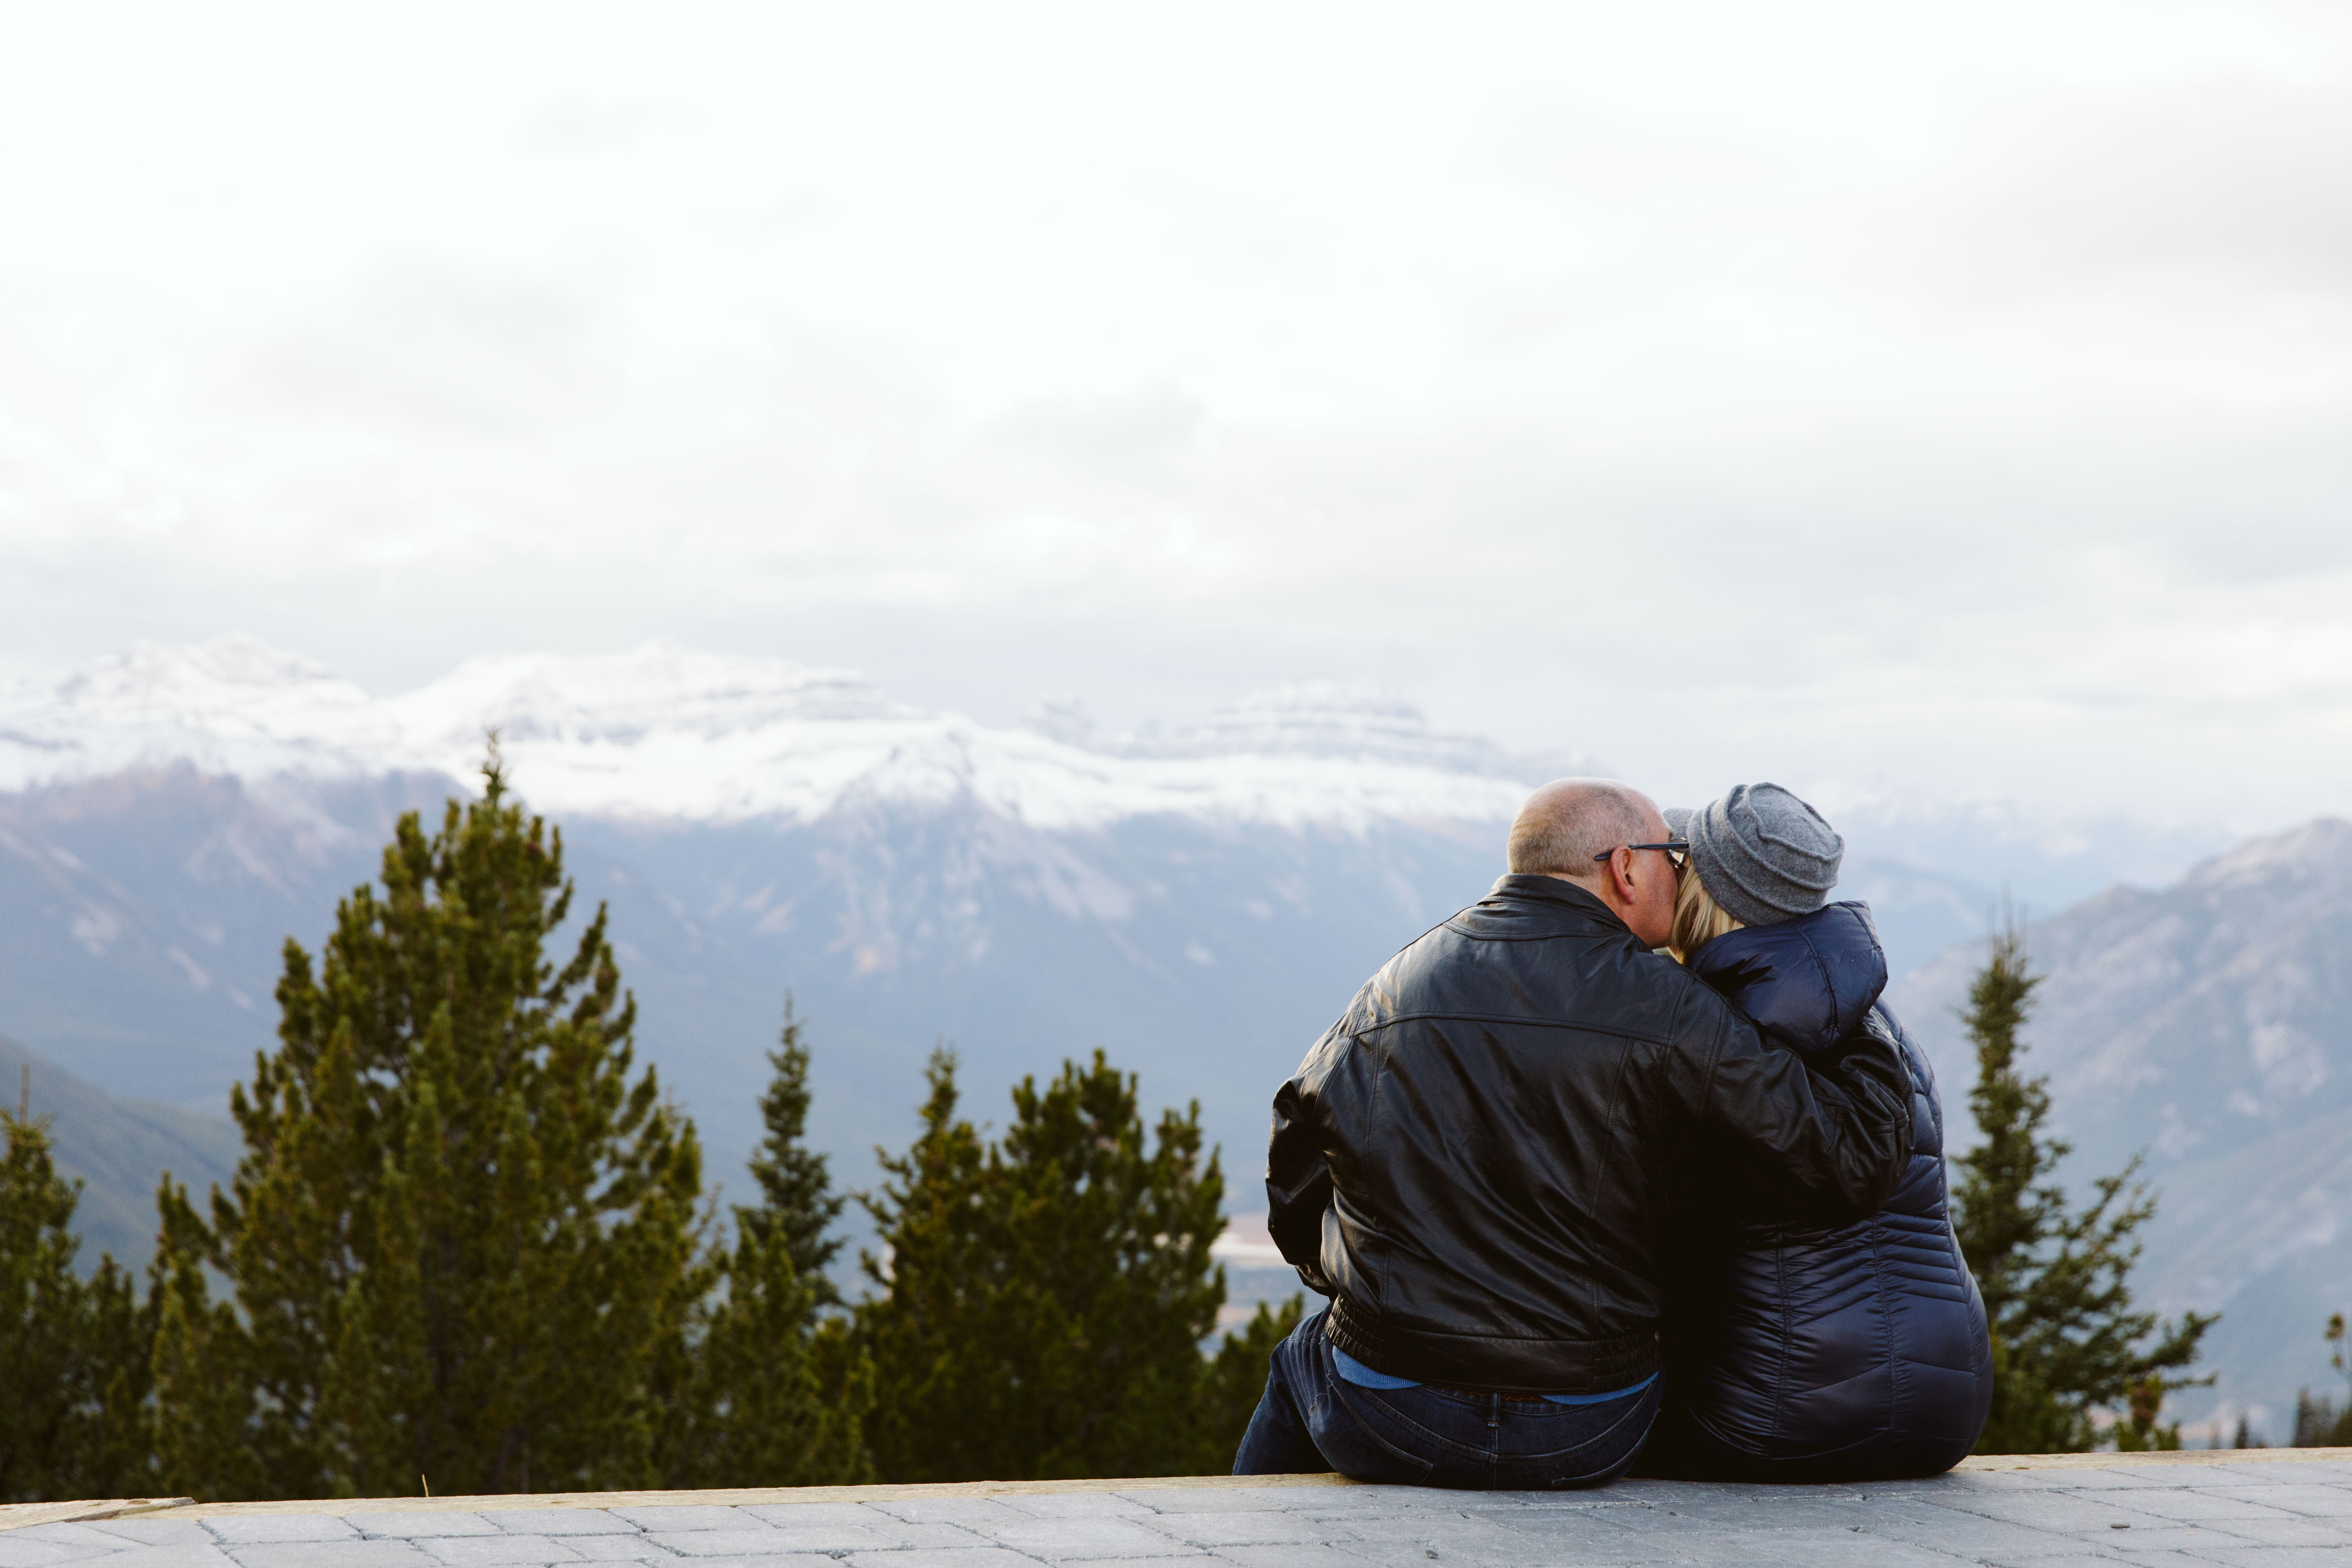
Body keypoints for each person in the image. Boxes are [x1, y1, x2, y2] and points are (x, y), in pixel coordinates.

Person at [1233, 778, 1916, 1488]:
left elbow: (1298, 1163)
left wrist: (1350, 1279)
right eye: (1673, 858)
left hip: (1387, 1411)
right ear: (1625, 868)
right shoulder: (1679, 1011)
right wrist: (1851, 1008)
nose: (1681, 877)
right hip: (1587, 1422)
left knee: (1304, 1358)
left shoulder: (1395, 987)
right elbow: (1855, 1161)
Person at [1636, 784, 1993, 1481]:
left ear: (1705, 894)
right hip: (1948, 1407)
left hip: (1766, 1416)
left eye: (1678, 862)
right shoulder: (1882, 1029)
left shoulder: (1706, 1036)